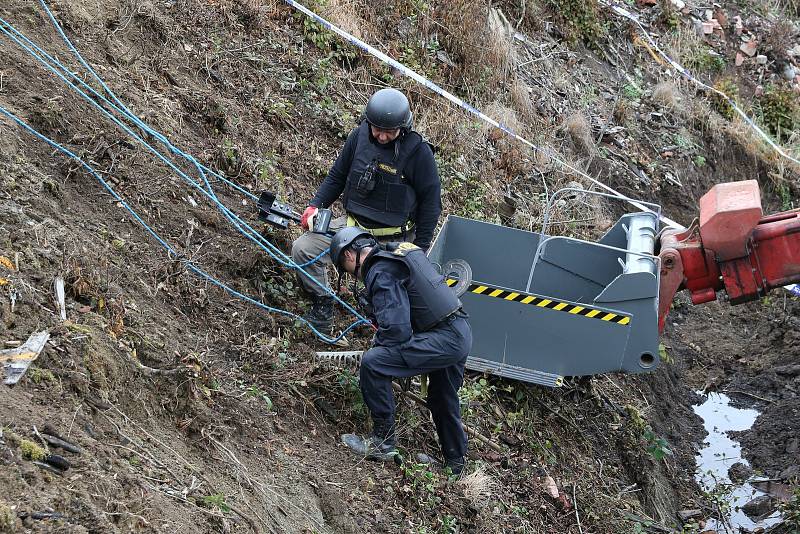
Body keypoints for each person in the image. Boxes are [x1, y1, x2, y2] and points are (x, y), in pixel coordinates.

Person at [291, 88, 442, 332]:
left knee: (393, 295)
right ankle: (322, 302)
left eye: (389, 132)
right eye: (377, 129)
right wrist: (315, 205)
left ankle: (385, 338)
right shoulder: (358, 137)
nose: (381, 136)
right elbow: (337, 175)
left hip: (394, 240)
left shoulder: (419, 154)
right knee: (303, 249)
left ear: (403, 128)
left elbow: (431, 204)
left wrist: (420, 249)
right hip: (351, 229)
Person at [329, 227, 472, 475]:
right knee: (442, 397)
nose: (352, 275)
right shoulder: (398, 252)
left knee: (373, 363)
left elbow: (396, 330)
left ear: (349, 256)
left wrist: (379, 346)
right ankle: (455, 464)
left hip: (443, 337)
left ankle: (383, 442)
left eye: (346, 268)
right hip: (459, 331)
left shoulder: (380, 271)